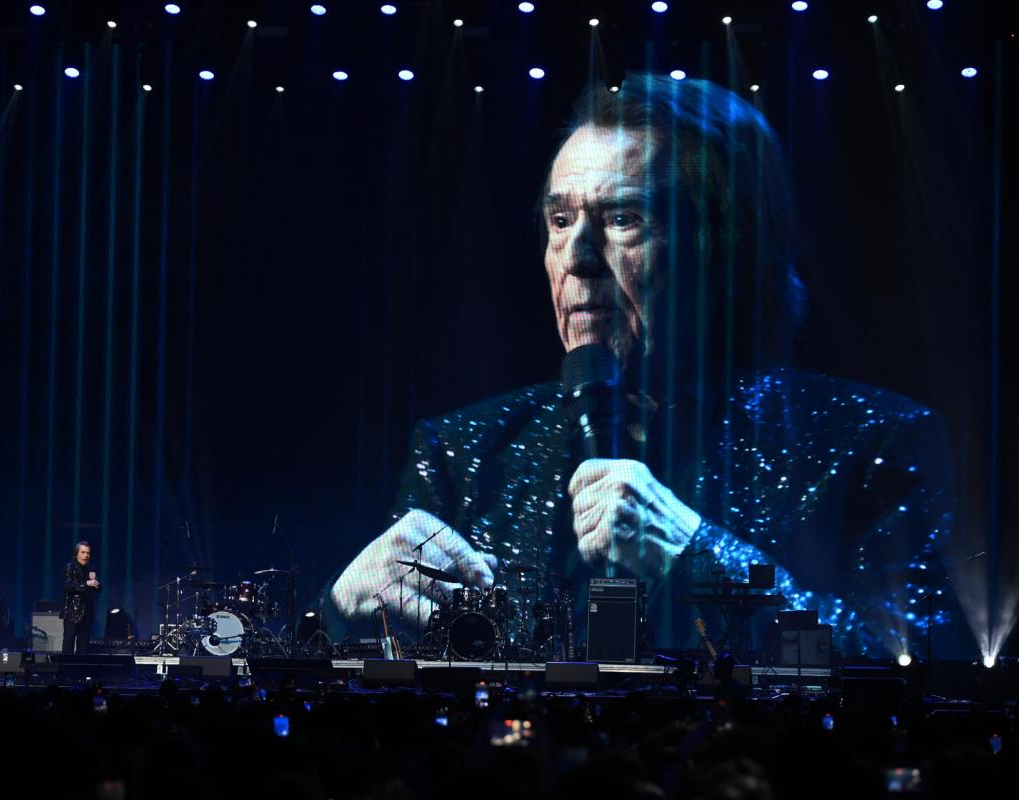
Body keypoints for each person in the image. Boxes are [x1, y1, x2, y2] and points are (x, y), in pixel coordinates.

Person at [328, 74, 955, 660]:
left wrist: (702, 559)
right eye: (560, 219)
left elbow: (918, 671)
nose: (575, 257)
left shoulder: (870, 442)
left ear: (726, 247)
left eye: (623, 219)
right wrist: (337, 617)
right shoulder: (462, 453)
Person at [61, 542, 100, 654]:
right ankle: (66, 669)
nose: (86, 555)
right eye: (83, 552)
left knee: (83, 646)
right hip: (72, 611)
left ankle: (80, 670)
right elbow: (68, 586)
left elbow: (98, 588)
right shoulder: (70, 567)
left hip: (86, 612)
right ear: (76, 554)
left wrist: (97, 584)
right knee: (69, 643)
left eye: (88, 553)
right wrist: (86, 583)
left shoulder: (90, 569)